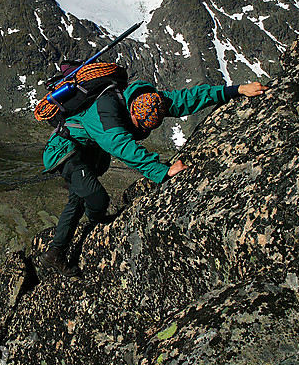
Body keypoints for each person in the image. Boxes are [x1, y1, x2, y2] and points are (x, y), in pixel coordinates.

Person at [40, 77, 269, 277]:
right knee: (97, 199)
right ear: (130, 114)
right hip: (66, 151)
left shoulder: (149, 100)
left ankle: (55, 252)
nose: (143, 133)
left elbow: (187, 99)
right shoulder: (107, 111)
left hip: (87, 150)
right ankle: (96, 224)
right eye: (140, 127)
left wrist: (236, 90)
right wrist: (162, 171)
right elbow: (121, 146)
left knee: (77, 199)